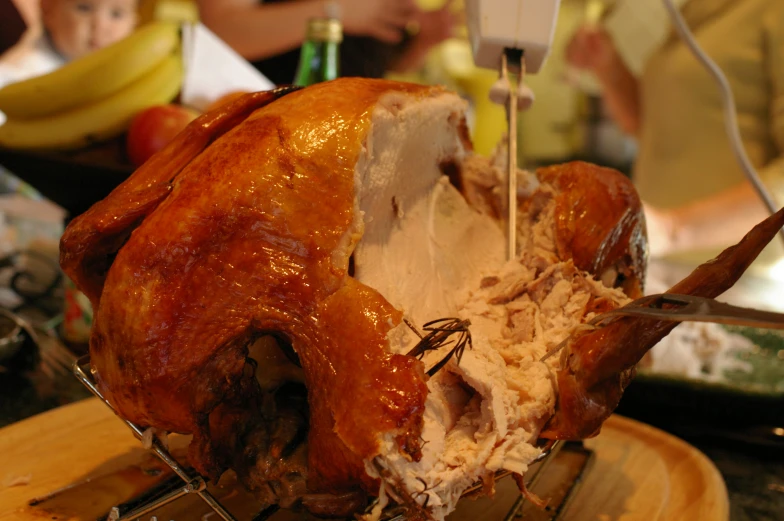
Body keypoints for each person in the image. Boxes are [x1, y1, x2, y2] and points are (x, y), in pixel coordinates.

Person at [566, 0, 784, 263]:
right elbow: (650, 129)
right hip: (661, 259)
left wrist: (672, 230)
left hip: (731, 271)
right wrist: (608, 65)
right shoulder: (691, 14)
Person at [197, 0, 457, 86]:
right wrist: (337, 10)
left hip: (343, 128)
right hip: (258, 122)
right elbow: (223, 31)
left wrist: (422, 42)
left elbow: (387, 61)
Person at [0, 0, 139, 87]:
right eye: (84, 8)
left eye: (117, 14)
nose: (100, 26)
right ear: (47, 9)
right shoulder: (23, 72)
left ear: (134, 23)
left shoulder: (134, 78)